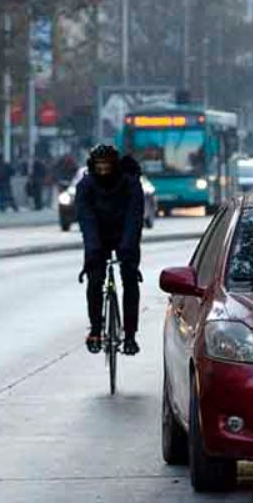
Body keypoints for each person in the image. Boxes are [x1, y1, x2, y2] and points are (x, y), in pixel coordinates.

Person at [76, 144, 144, 356]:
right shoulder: (85, 186)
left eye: (107, 166)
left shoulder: (130, 184)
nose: (103, 170)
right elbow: (86, 220)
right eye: (99, 166)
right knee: (95, 278)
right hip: (99, 233)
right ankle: (96, 329)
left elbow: (134, 218)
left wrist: (127, 246)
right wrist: (93, 249)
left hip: (124, 231)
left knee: (130, 278)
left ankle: (130, 335)